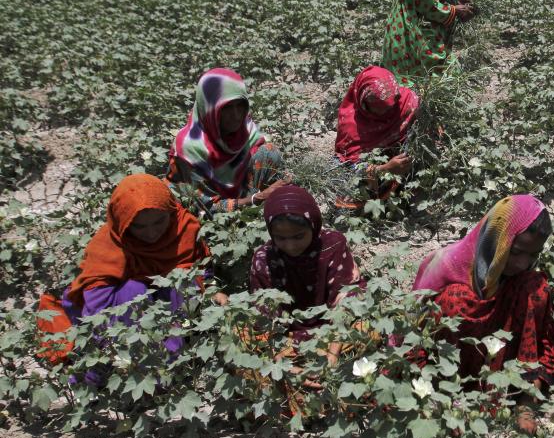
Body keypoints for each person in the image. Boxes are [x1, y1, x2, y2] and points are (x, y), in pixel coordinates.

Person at [36, 174, 215, 384]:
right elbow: (97, 308)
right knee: (134, 290)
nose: (151, 233)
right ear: (122, 223)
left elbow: (202, 271)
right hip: (125, 319)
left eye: (159, 221)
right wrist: (114, 346)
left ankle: (170, 362)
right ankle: (129, 369)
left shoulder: (184, 229)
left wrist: (211, 289)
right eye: (139, 226)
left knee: (183, 282)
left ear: (171, 211)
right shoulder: (108, 246)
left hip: (170, 312)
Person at [413, 194, 554, 433]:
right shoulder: (448, 264)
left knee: (536, 287)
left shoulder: (520, 278)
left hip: (503, 356)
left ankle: (524, 395)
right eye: (515, 252)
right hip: (458, 361)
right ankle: (451, 396)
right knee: (456, 299)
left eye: (533, 255)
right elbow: (415, 324)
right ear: (497, 239)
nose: (523, 263)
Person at [249, 185, 364, 366]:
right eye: (281, 238)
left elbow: (347, 299)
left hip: (332, 329)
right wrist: (279, 361)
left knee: (366, 329)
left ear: (314, 226)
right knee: (242, 338)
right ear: (271, 234)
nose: (291, 246)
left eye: (298, 236)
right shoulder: (264, 258)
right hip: (287, 336)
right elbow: (264, 315)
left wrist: (332, 355)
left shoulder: (333, 245)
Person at [167, 68, 287, 215]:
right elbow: (203, 207)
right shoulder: (189, 148)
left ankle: (258, 214)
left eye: (240, 105)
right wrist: (257, 198)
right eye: (227, 108)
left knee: (269, 152)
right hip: (208, 213)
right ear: (209, 108)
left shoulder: (244, 128)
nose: (236, 116)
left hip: (245, 199)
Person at [332, 66, 420, 209]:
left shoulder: (406, 100)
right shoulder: (352, 127)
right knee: (347, 189)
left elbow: (424, 121)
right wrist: (385, 168)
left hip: (406, 163)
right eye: (382, 108)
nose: (389, 112)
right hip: (377, 175)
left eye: (393, 105)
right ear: (364, 103)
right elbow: (350, 165)